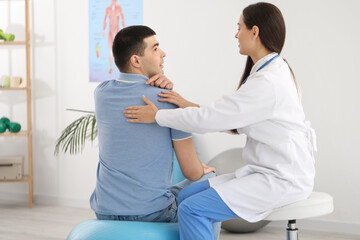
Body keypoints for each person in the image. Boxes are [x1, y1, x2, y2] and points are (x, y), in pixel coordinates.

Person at [124, 2, 317, 240]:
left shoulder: (269, 81)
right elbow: (231, 117)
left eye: (239, 28)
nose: (236, 35)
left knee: (192, 210)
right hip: (268, 171)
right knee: (184, 197)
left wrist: (157, 116)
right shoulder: (270, 71)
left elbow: (214, 120)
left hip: (281, 179)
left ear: (254, 32)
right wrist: (187, 104)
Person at [90, 25, 221, 239]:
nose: (163, 53)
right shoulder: (167, 101)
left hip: (104, 209)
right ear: (136, 60)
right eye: (155, 48)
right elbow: (191, 172)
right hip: (151, 213)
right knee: (212, 180)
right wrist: (201, 170)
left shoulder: (101, 94)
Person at [103, 0, 125, 74]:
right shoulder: (108, 9)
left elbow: (122, 19)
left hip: (117, 30)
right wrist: (103, 30)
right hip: (110, 30)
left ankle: (121, 68)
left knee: (119, 49)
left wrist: (125, 30)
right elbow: (105, 20)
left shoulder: (119, 8)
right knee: (110, 50)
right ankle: (111, 67)